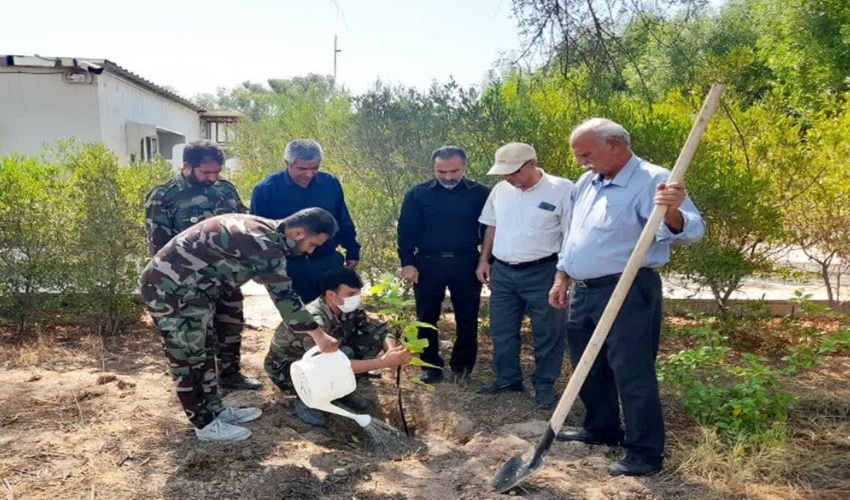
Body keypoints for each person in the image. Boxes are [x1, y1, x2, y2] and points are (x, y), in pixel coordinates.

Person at [549, 118, 705, 476]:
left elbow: (693, 231)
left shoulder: (654, 180)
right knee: (589, 365)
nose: (580, 162)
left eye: (585, 153)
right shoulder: (586, 182)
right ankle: (601, 427)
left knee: (632, 371)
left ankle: (645, 452)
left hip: (627, 288)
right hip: (583, 290)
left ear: (615, 145)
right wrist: (562, 274)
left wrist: (674, 210)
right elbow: (572, 234)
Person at [140, 208, 341, 442]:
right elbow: (284, 298)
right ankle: (204, 425)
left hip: (192, 291)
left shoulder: (263, 227)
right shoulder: (265, 244)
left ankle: (214, 410)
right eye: (312, 244)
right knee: (188, 358)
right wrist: (319, 334)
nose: (310, 251)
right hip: (170, 291)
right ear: (298, 232)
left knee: (205, 353)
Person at [144, 140, 261, 391]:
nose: (212, 178)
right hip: (191, 283)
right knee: (199, 336)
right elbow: (159, 248)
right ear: (187, 166)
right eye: (206, 172)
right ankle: (203, 387)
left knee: (231, 326)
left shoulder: (226, 190)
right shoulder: (164, 196)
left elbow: (242, 224)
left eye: (217, 172)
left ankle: (231, 375)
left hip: (226, 278)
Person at [475, 142, 574, 409]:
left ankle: (544, 384)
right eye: (504, 173)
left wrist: (562, 276)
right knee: (501, 330)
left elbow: (571, 235)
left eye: (515, 172)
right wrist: (485, 260)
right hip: (504, 272)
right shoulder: (500, 190)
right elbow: (492, 226)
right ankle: (508, 378)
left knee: (548, 332)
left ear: (532, 163)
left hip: (544, 271)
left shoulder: (562, 189)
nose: (509, 178)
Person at [265, 267, 412, 427]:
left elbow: (379, 330)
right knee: (344, 355)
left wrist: (391, 351)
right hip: (289, 371)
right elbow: (329, 365)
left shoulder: (348, 307)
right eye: (350, 294)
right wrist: (383, 362)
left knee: (370, 340)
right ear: (331, 294)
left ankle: (339, 391)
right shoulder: (314, 320)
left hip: (323, 361)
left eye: (357, 293)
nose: (356, 298)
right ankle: (306, 400)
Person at [397, 146, 490, 385]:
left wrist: (487, 261)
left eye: (454, 171)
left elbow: (491, 230)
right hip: (427, 263)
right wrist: (408, 263)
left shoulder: (481, 194)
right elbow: (405, 232)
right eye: (442, 172)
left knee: (467, 317)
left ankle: (462, 367)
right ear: (434, 168)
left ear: (465, 166)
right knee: (426, 316)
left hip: (466, 261)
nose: (448, 177)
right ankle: (430, 365)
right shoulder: (417, 194)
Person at [250, 139, 361, 303]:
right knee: (300, 318)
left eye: (315, 168)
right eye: (302, 169)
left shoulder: (330, 184)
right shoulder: (266, 190)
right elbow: (259, 234)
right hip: (291, 267)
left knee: (338, 311)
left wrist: (352, 250)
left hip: (328, 261)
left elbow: (342, 219)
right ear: (287, 163)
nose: (309, 174)